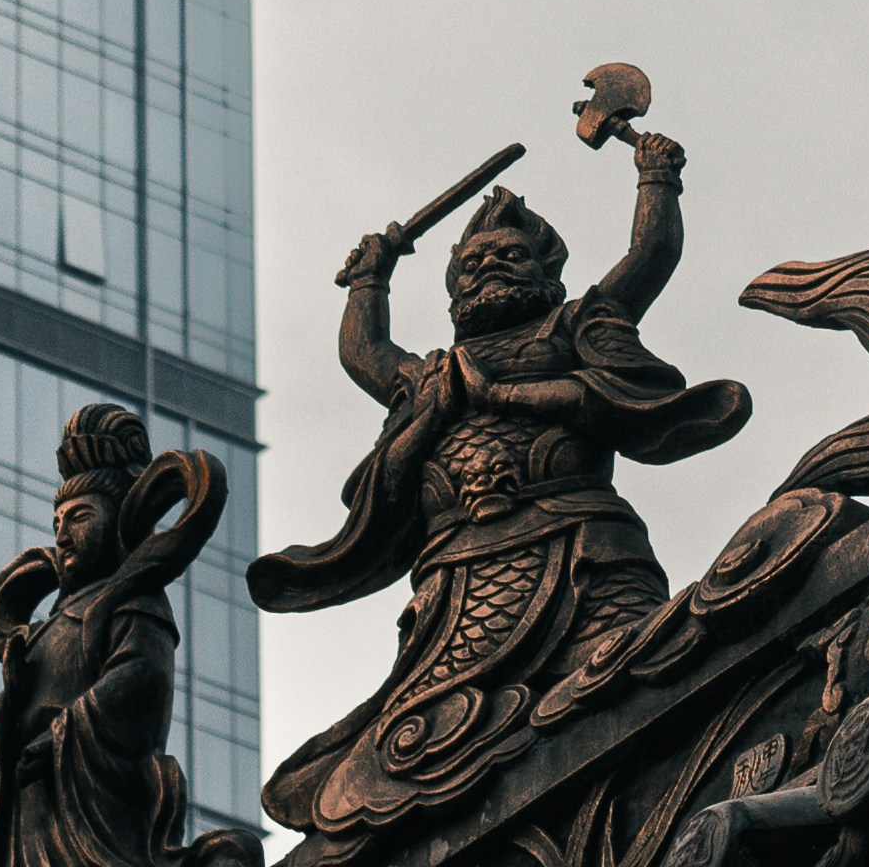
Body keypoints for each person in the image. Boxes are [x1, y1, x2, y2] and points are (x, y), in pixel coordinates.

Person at [249, 138, 751, 866]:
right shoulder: (431, 376)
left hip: (583, 555)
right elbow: (364, 353)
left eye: (507, 258)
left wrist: (656, 175)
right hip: (458, 586)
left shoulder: (575, 328)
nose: (488, 269)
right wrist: (369, 281)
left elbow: (647, 260)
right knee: (418, 748)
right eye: (473, 265)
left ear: (547, 272)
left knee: (644, 678)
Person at [0, 405, 252, 867]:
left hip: (95, 822)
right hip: (35, 821)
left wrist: (61, 734)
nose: (63, 536)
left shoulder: (131, 602)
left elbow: (142, 678)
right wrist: (13, 702)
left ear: (119, 521)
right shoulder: (50, 626)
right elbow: (16, 723)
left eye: (80, 518)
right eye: (57, 525)